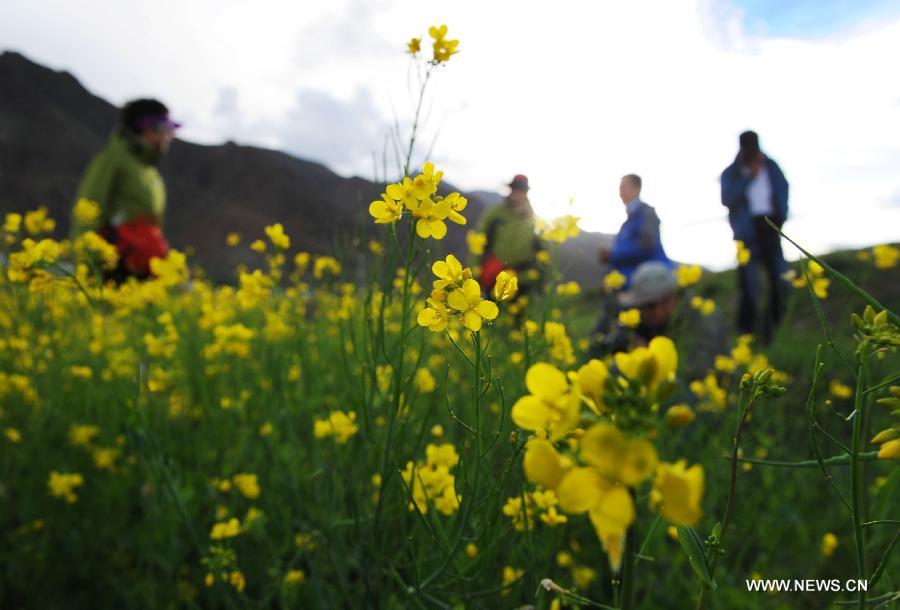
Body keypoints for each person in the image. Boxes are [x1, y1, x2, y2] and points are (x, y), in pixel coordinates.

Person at [72, 98, 179, 281]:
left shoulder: (150, 173)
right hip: (111, 268)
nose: (168, 135)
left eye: (171, 129)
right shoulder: (113, 159)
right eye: (162, 128)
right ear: (142, 128)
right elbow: (89, 208)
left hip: (142, 270)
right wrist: (87, 262)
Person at [587, 261, 726, 382]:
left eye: (649, 306)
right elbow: (594, 346)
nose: (642, 312)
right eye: (638, 305)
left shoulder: (702, 318)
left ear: (669, 299)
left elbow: (696, 373)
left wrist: (649, 356)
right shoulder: (636, 316)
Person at [720, 130, 789, 340]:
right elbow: (728, 198)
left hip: (771, 229)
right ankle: (746, 334)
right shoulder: (732, 172)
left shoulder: (771, 166)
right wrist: (749, 177)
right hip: (746, 235)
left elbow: (784, 187)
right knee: (749, 288)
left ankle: (772, 332)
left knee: (781, 282)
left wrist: (782, 216)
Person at [477, 174, 542, 294]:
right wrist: (478, 266)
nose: (518, 194)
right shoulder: (496, 212)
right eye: (516, 189)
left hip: (522, 272)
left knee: (517, 309)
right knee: (493, 307)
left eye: (522, 190)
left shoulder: (532, 215)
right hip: (496, 270)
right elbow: (478, 238)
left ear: (526, 192)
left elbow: (541, 243)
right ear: (511, 190)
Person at [600, 174, 671, 284]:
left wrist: (614, 254)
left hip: (651, 282)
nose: (620, 192)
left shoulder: (647, 213)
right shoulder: (626, 223)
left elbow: (646, 245)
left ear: (637, 189)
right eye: (620, 188)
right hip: (632, 282)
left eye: (623, 187)